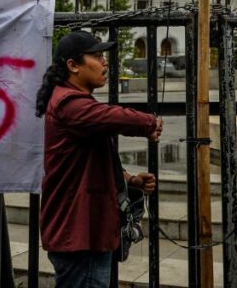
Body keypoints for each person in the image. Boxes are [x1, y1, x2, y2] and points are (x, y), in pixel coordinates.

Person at [37, 30, 163, 288]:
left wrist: (130, 179)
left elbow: (89, 160)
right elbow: (113, 117)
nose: (105, 62)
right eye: (96, 56)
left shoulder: (72, 101)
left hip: (85, 232)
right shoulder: (68, 104)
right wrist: (149, 122)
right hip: (80, 235)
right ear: (73, 65)